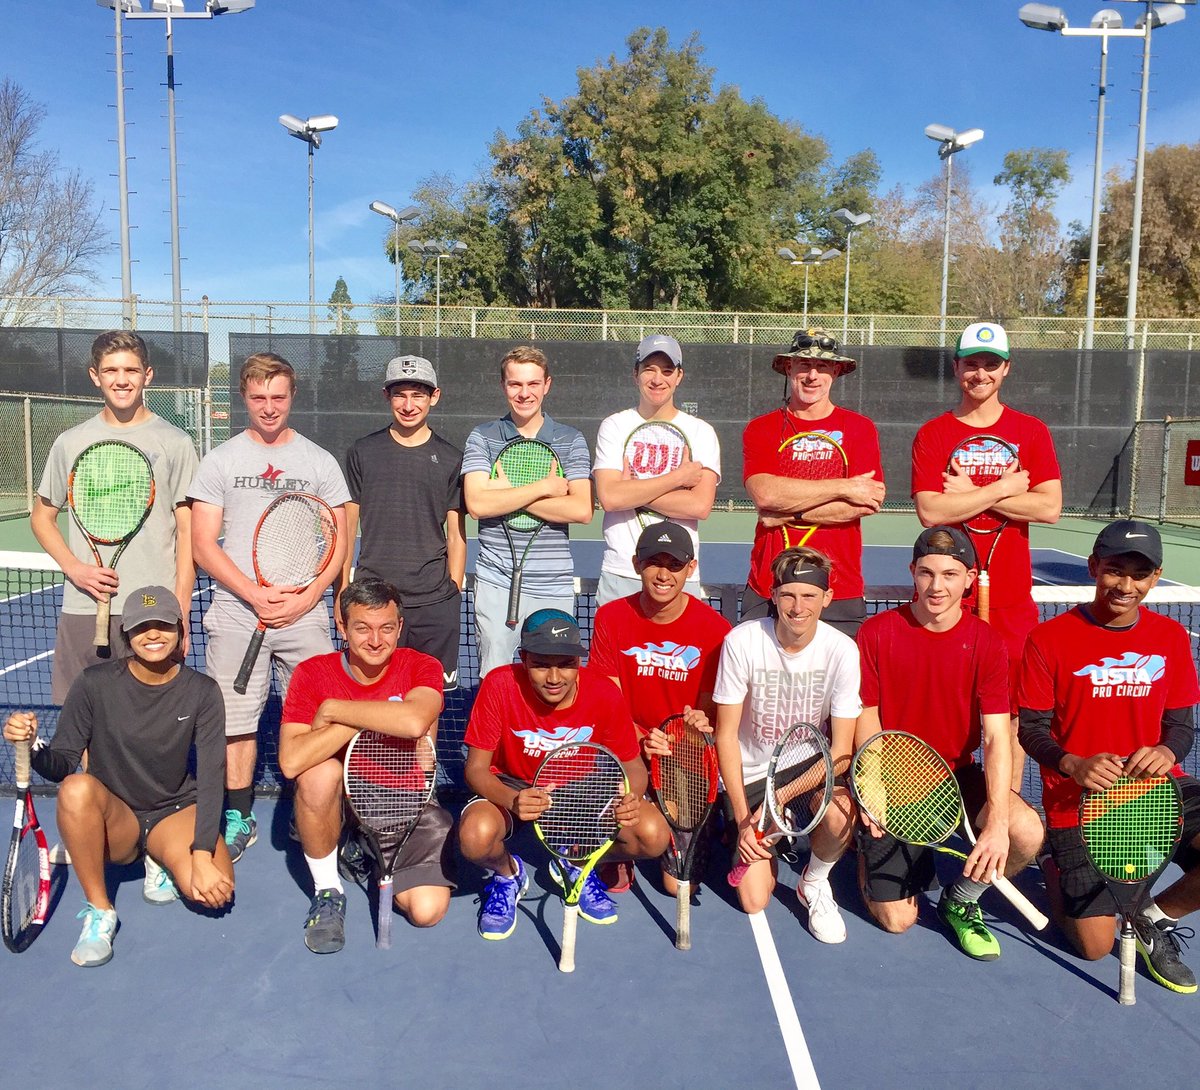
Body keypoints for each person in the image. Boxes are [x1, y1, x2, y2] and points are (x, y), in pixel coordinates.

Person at [2, 586, 232, 967]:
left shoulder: (202, 692)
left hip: (173, 811)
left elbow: (211, 778)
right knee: (76, 789)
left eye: (163, 625)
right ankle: (100, 910)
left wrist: (202, 854)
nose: (153, 634)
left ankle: (159, 859)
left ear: (180, 630)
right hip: (117, 819)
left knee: (213, 891)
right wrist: (33, 745)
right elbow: (61, 764)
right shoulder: (94, 684)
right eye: (143, 627)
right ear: (126, 635)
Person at [1019, 519, 1200, 994]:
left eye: (1139, 575)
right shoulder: (1048, 639)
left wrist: (1166, 750)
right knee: (1094, 946)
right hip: (1079, 800)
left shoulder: (1171, 638)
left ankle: (1149, 918)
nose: (1126, 585)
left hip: (1157, 790)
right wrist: (1074, 763)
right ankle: (1054, 863)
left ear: (1155, 577)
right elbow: (1032, 731)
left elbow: (1181, 727)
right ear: (1094, 567)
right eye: (1115, 571)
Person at [855, 527, 1045, 960]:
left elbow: (998, 735)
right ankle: (866, 851)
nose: (937, 586)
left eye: (949, 574)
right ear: (913, 573)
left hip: (956, 777)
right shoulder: (876, 632)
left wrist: (996, 821)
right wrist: (873, 789)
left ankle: (962, 898)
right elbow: (867, 716)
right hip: (893, 776)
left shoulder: (988, 643)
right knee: (898, 922)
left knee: (1025, 831)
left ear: (969, 578)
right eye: (926, 573)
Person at [189, 352, 349, 862]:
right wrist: (254, 594)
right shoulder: (220, 461)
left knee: (326, 719)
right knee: (234, 723)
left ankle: (321, 809)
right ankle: (239, 816)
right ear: (244, 397)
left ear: (292, 396)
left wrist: (306, 596)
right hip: (238, 615)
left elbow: (340, 543)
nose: (269, 406)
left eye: (278, 396)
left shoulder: (320, 462)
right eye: (259, 397)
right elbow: (203, 544)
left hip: (306, 615)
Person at [911, 321, 1062, 789]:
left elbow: (1049, 507)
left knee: (1010, 723)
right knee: (941, 716)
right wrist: (1003, 486)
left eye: (990, 364)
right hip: (948, 603)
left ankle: (1005, 811)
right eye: (971, 363)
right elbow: (931, 509)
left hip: (1013, 608)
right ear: (956, 368)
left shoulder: (1031, 431)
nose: (980, 373)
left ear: (1006, 369)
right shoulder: (933, 434)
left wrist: (973, 493)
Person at [458, 609, 670, 940]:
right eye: (542, 663)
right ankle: (507, 876)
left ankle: (578, 862)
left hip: (580, 787)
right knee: (475, 838)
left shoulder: (603, 693)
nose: (555, 677)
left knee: (653, 834)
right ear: (524, 658)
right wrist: (512, 799)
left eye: (566, 664)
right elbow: (476, 769)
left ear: (578, 663)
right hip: (511, 782)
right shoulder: (499, 685)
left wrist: (630, 795)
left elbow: (632, 765)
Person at [278, 578, 454, 954]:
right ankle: (327, 889)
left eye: (387, 628)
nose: (376, 640)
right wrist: (363, 720)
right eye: (362, 628)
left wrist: (336, 710)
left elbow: (412, 722)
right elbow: (291, 762)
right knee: (317, 773)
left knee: (427, 912)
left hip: (406, 800)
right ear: (342, 627)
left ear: (400, 627)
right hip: (345, 793)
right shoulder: (312, 673)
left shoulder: (423, 666)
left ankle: (365, 851)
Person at [32, 330, 198, 704]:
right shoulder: (69, 442)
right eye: (110, 371)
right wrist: (75, 569)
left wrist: (181, 609)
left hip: (154, 609)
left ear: (148, 375)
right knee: (81, 724)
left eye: (131, 370)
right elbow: (42, 517)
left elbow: (188, 532)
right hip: (83, 607)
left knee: (149, 726)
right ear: (95, 376)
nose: (121, 380)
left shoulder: (175, 443)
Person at [713, 546, 861, 942]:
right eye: (789, 595)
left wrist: (779, 800)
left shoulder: (843, 651)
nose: (798, 607)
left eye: (810, 596)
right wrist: (747, 817)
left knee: (842, 810)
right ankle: (760, 833)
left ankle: (814, 880)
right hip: (749, 776)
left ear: (827, 598)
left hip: (807, 770)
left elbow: (841, 751)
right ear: (774, 595)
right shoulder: (741, 641)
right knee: (753, 898)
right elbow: (724, 734)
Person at [589, 520, 731, 891]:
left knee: (677, 886)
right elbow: (608, 700)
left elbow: (707, 712)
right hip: (625, 748)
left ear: (691, 569)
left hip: (682, 754)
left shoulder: (715, 629)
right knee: (616, 813)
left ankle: (700, 818)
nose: (663, 573)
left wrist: (683, 735)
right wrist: (639, 738)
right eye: (654, 562)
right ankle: (619, 850)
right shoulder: (610, 617)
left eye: (674, 564)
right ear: (637, 564)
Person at [741, 328, 885, 638]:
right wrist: (844, 486)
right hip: (768, 586)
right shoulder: (761, 429)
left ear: (835, 371)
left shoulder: (859, 429)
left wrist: (788, 511)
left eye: (822, 367)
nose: (812, 375)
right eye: (804, 365)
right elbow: (766, 493)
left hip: (839, 589)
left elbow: (864, 502)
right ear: (789, 368)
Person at [461, 346, 593, 677]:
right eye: (515, 384)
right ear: (503, 386)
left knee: (552, 681)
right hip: (494, 582)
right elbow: (477, 504)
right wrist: (544, 488)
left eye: (533, 384)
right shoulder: (482, 437)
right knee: (494, 682)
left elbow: (580, 509)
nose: (524, 393)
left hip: (553, 586)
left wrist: (503, 491)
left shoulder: (571, 440)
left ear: (547, 384)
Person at [342, 355, 466, 690]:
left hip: (434, 604)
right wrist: (344, 589)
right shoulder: (362, 452)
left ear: (434, 396)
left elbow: (456, 535)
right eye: (400, 395)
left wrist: (452, 592)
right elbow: (348, 525)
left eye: (418, 395)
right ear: (387, 396)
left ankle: (426, 748)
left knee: (429, 700)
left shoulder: (453, 458)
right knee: (371, 693)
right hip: (373, 600)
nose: (409, 405)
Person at [592, 334, 720, 605]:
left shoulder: (702, 432)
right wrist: (678, 479)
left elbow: (699, 506)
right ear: (635, 374)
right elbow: (610, 498)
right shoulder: (613, 426)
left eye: (666, 370)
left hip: (679, 573)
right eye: (649, 369)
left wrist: (631, 489)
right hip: (621, 572)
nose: (657, 379)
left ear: (679, 376)